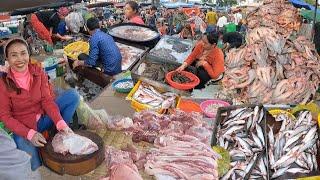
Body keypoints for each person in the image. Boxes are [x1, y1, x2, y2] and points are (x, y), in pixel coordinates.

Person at [0, 37, 80, 171]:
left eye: (23, 53)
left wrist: (60, 122)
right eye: (14, 55)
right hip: (24, 127)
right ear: (7, 59)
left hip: (43, 118)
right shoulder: (3, 83)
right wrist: (30, 134)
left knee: (72, 95)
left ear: (28, 54)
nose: (20, 59)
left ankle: (58, 132)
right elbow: (5, 116)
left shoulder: (38, 72)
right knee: (36, 166)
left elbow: (47, 101)